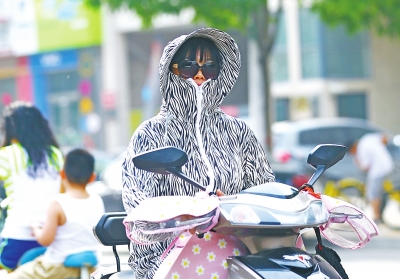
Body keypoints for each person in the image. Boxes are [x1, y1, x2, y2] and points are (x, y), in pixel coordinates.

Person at [122, 27, 276, 278]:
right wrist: (191, 214)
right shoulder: (150, 134)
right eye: (189, 67)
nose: (201, 75)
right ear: (169, 71)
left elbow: (264, 191)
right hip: (167, 256)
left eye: (211, 67)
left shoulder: (237, 131)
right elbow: (138, 209)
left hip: (239, 251)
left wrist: (235, 207)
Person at [8, 148, 105, 279]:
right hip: (91, 267)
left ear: (62, 174)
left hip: (57, 267)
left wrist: (36, 229)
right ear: (92, 177)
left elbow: (45, 240)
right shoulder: (97, 200)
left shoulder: (58, 202)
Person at [0, 101, 64, 272]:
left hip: (17, 237)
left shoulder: (7, 155)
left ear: (11, 129)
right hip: (51, 237)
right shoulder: (55, 155)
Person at [348, 132, 394, 222]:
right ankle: (381, 212)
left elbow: (365, 167)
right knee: (382, 192)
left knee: (372, 193)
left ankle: (376, 216)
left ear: (353, 148)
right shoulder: (367, 138)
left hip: (378, 170)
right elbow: (385, 138)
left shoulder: (361, 150)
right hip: (388, 164)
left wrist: (357, 161)